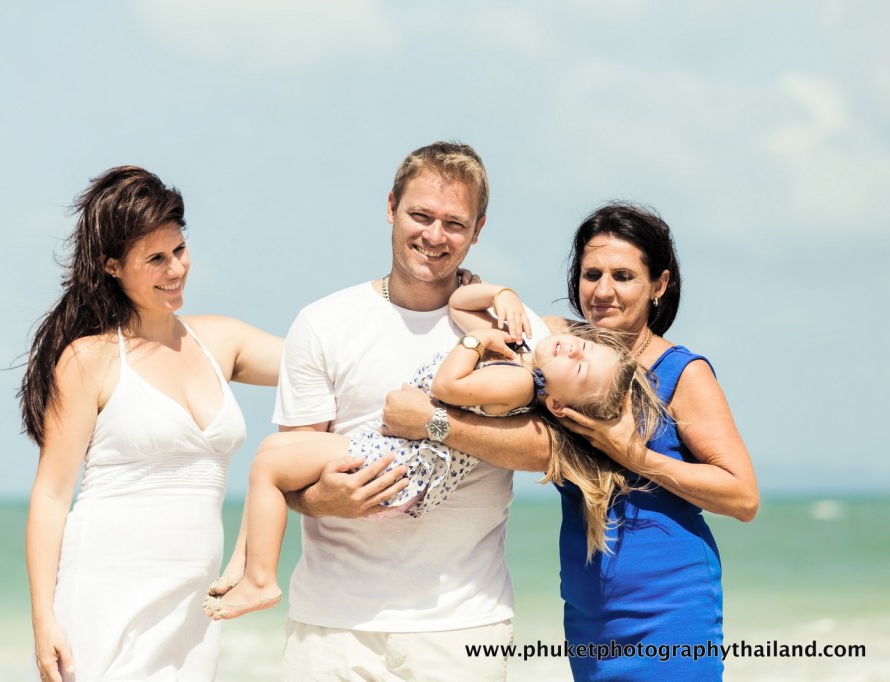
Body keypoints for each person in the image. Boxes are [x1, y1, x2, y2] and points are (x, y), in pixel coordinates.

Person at [203, 284, 666, 621]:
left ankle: (261, 579)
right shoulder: (522, 352)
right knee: (273, 454)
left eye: (579, 366)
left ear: (559, 403)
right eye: (582, 345)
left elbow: (449, 387)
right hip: (393, 451)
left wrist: (476, 342)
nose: (572, 348)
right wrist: (501, 294)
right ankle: (243, 567)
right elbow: (459, 304)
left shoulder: (519, 380)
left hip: (398, 462)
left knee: (269, 465)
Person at [273, 141, 554, 681]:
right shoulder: (323, 322)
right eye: (420, 215)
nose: (434, 235)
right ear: (390, 207)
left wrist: (434, 424)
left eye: (454, 223)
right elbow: (292, 467)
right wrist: (322, 499)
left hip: (464, 627)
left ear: (478, 231)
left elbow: (547, 450)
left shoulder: (514, 329)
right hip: (333, 627)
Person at [19, 166, 282, 682]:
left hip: (193, 600)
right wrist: (43, 619)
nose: (175, 269)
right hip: (105, 588)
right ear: (112, 265)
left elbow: (328, 363)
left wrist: (462, 312)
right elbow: (51, 496)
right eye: (155, 259)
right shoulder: (88, 359)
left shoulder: (220, 341)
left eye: (179, 250)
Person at [550, 202, 760, 680]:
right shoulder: (565, 368)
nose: (602, 291)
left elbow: (743, 496)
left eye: (623, 275)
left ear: (658, 285)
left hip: (670, 615)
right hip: (590, 618)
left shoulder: (682, 373)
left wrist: (634, 455)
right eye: (591, 274)